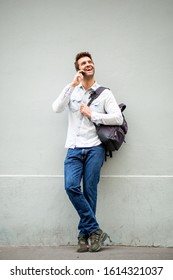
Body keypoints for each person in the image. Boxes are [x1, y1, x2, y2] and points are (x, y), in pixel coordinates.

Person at [52, 52, 123, 252]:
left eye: (90, 62)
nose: (88, 64)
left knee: (89, 191)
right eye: (83, 63)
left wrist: (93, 114)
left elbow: (117, 118)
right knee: (71, 186)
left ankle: (84, 235)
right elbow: (56, 108)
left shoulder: (105, 93)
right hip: (74, 148)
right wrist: (72, 85)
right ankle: (95, 230)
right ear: (78, 68)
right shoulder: (72, 91)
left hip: (94, 148)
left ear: (93, 66)